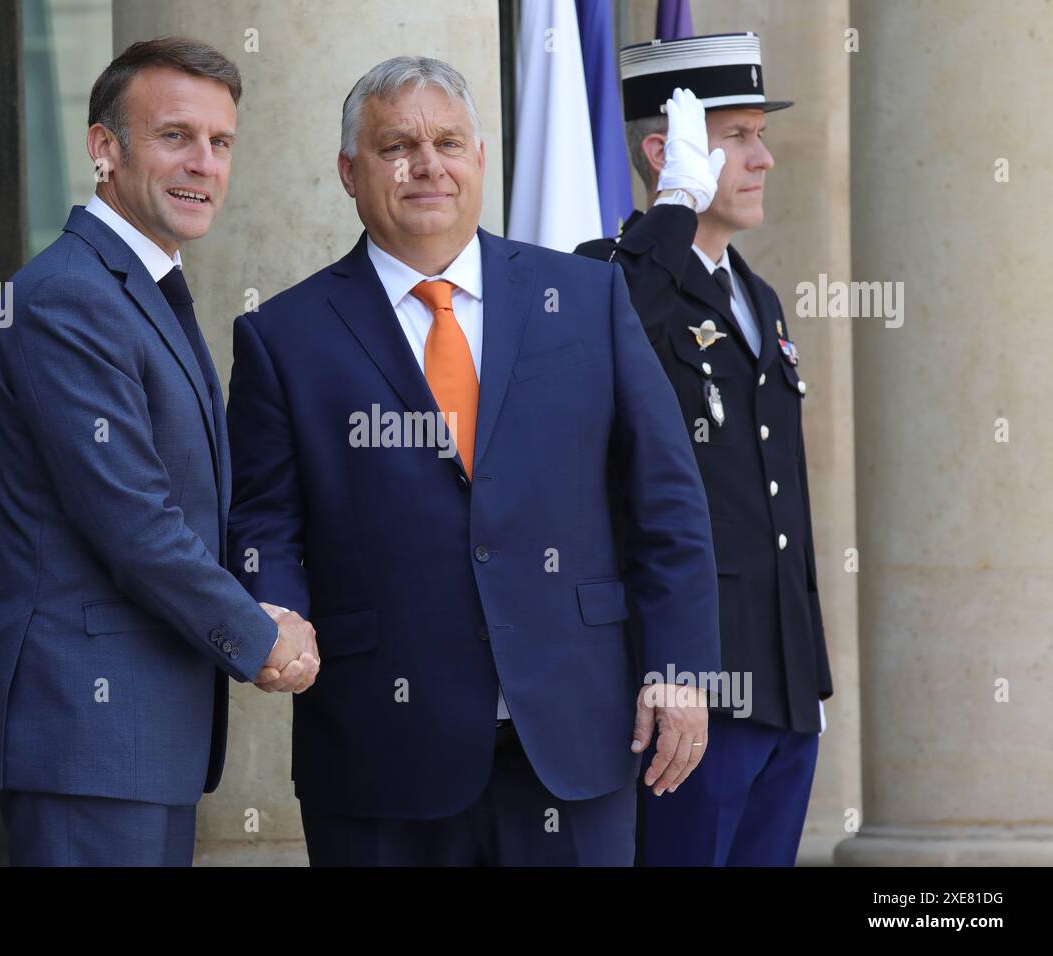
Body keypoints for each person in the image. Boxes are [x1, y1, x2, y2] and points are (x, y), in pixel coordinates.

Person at [226, 55, 719, 866]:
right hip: (380, 754)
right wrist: (273, 609)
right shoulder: (283, 337)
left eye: (449, 142)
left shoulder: (588, 300)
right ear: (350, 172)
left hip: (576, 737)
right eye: (397, 146)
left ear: (481, 160)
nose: (428, 165)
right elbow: (265, 520)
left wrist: (679, 667)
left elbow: (665, 501)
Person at [0, 36, 319, 867]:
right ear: (103, 149)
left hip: (135, 735)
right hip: (86, 735)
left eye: (220, 141)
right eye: (174, 136)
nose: (202, 162)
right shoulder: (68, 299)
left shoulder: (139, 285)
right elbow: (135, 523)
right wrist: (257, 633)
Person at [576, 32, 833, 866]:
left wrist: (807, 675)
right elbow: (599, 360)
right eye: (737, 137)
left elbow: (774, 498)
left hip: (781, 683)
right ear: (666, 150)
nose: (761, 158)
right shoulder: (608, 276)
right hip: (691, 688)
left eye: (762, 135)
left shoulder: (755, 296)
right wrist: (672, 209)